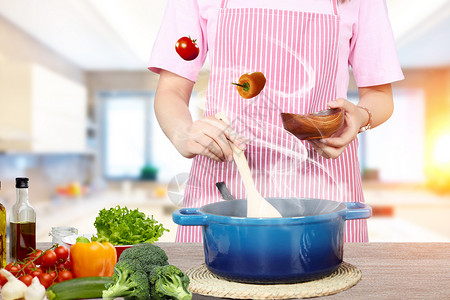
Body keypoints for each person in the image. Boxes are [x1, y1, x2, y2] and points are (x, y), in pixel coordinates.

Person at [149, 0, 404, 243]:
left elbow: (379, 96)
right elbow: (171, 89)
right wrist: (182, 133)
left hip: (325, 192)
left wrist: (361, 118)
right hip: (223, 189)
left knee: (333, 280)